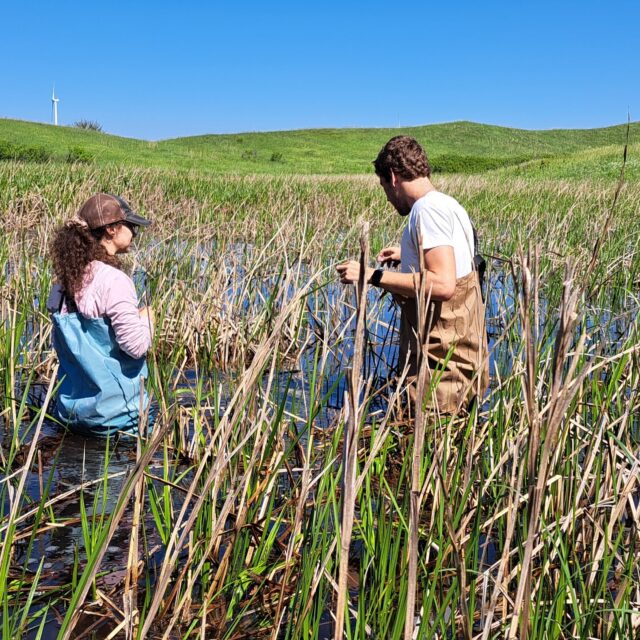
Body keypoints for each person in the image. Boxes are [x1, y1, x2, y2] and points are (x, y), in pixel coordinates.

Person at [336, 136, 488, 414]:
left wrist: (371, 275)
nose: (386, 197)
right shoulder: (447, 204)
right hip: (460, 362)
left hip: (442, 374)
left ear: (393, 177)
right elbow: (458, 262)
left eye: (383, 186)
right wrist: (406, 255)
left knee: (429, 450)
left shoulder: (426, 210)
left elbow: (442, 284)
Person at [47, 193, 154, 435]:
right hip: (117, 421)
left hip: (71, 415)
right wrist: (147, 321)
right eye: (131, 226)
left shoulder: (64, 281)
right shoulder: (115, 281)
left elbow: (64, 340)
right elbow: (135, 347)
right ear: (112, 229)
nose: (135, 233)